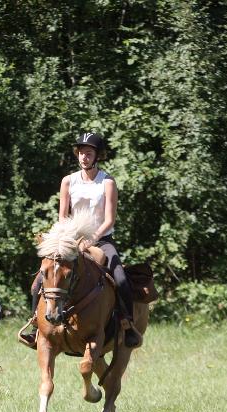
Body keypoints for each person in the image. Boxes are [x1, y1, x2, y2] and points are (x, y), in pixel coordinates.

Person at [19, 132, 142, 349]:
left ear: (97, 156)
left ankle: (128, 324)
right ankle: (35, 327)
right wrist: (67, 239)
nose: (83, 157)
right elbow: (62, 216)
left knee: (121, 278)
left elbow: (109, 219)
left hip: (101, 240)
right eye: (81, 153)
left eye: (88, 153)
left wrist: (90, 240)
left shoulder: (107, 182)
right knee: (39, 280)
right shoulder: (68, 181)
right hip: (71, 240)